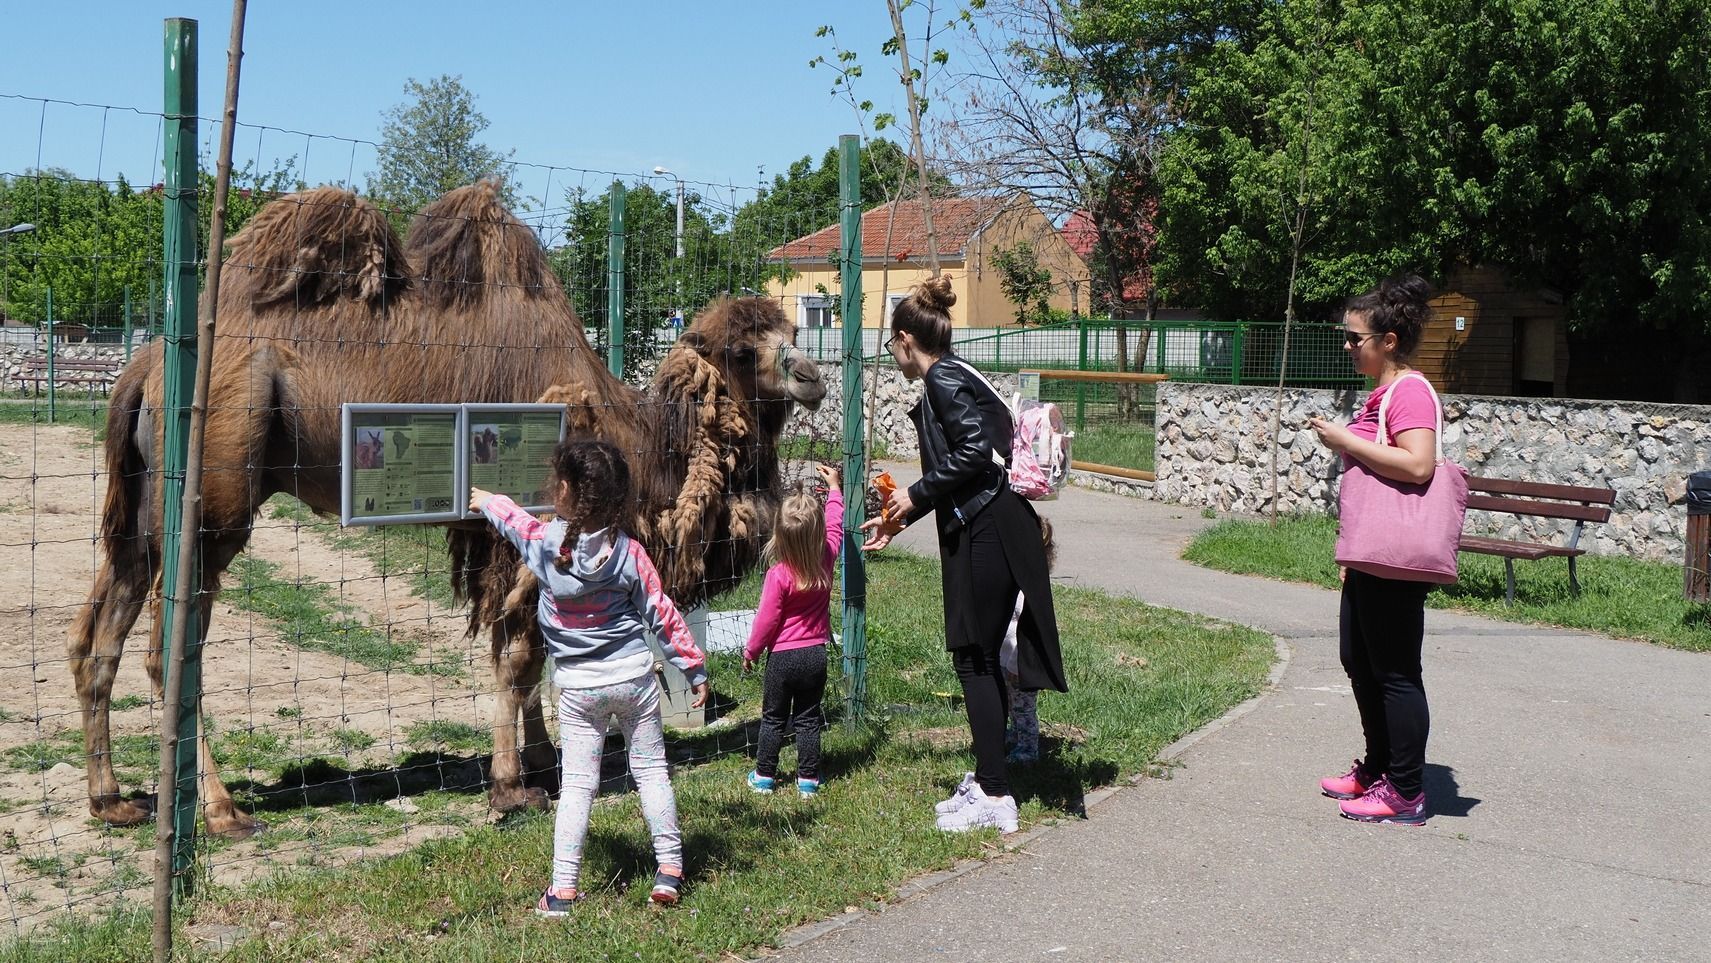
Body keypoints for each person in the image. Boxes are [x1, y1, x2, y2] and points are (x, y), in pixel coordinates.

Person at [860, 276, 1067, 835]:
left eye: (891, 347)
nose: (893, 357)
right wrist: (901, 518)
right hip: (990, 523)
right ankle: (988, 775)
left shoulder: (942, 379)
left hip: (989, 529)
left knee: (975, 656)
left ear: (905, 340)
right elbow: (961, 471)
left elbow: (976, 454)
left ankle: (996, 797)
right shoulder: (954, 375)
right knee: (974, 656)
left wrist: (914, 494)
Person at [469, 438, 710, 916]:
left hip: (580, 690)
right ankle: (669, 869)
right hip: (634, 682)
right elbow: (661, 612)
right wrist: (693, 667)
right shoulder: (630, 553)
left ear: (562, 490)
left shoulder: (544, 546)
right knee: (652, 772)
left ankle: (562, 891)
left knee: (578, 786)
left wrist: (486, 502)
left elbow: (516, 522)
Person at [1308, 274, 1440, 826]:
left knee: (1395, 671)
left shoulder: (1409, 390)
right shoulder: (1381, 391)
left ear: (1388, 341)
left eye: (1354, 337)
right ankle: (1380, 770)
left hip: (1396, 557)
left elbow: (1418, 464)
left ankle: (1406, 789)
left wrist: (1344, 439)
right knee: (1360, 661)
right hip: (1369, 554)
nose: (1347, 345)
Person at [743, 463, 844, 798]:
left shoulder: (779, 575)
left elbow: (766, 621)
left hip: (783, 659)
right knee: (808, 719)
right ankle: (808, 781)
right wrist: (834, 490)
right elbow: (836, 527)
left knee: (773, 718)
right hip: (815, 655)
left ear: (780, 536)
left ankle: (764, 777)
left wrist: (752, 651)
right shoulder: (826, 559)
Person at [1001, 515, 1055, 764]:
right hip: (1006, 658)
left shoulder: (1027, 591)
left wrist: (1015, 666)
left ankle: (1028, 749)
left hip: (1020, 662)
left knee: (1023, 708)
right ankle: (1014, 736)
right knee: (1012, 705)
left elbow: (1024, 633)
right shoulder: (1014, 583)